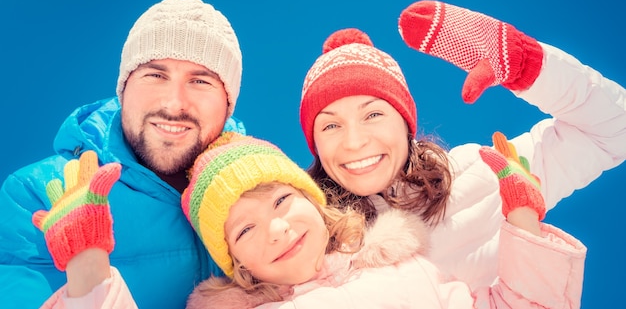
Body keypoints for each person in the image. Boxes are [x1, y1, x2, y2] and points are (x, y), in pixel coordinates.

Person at [37, 132, 586, 308]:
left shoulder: (413, 273)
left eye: (281, 202)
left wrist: (522, 218)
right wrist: (88, 265)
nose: (275, 229)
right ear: (237, 264)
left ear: (318, 204)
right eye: (244, 230)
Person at [299, 0, 626, 289]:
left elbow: (614, 130)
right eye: (330, 125)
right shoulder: (298, 236)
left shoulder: (486, 175)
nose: (354, 142)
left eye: (372, 114)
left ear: (405, 121)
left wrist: (527, 64)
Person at [0, 0, 246, 309]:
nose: (173, 103)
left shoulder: (265, 187)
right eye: (155, 75)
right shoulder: (40, 195)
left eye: (200, 81)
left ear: (227, 103)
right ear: (124, 87)